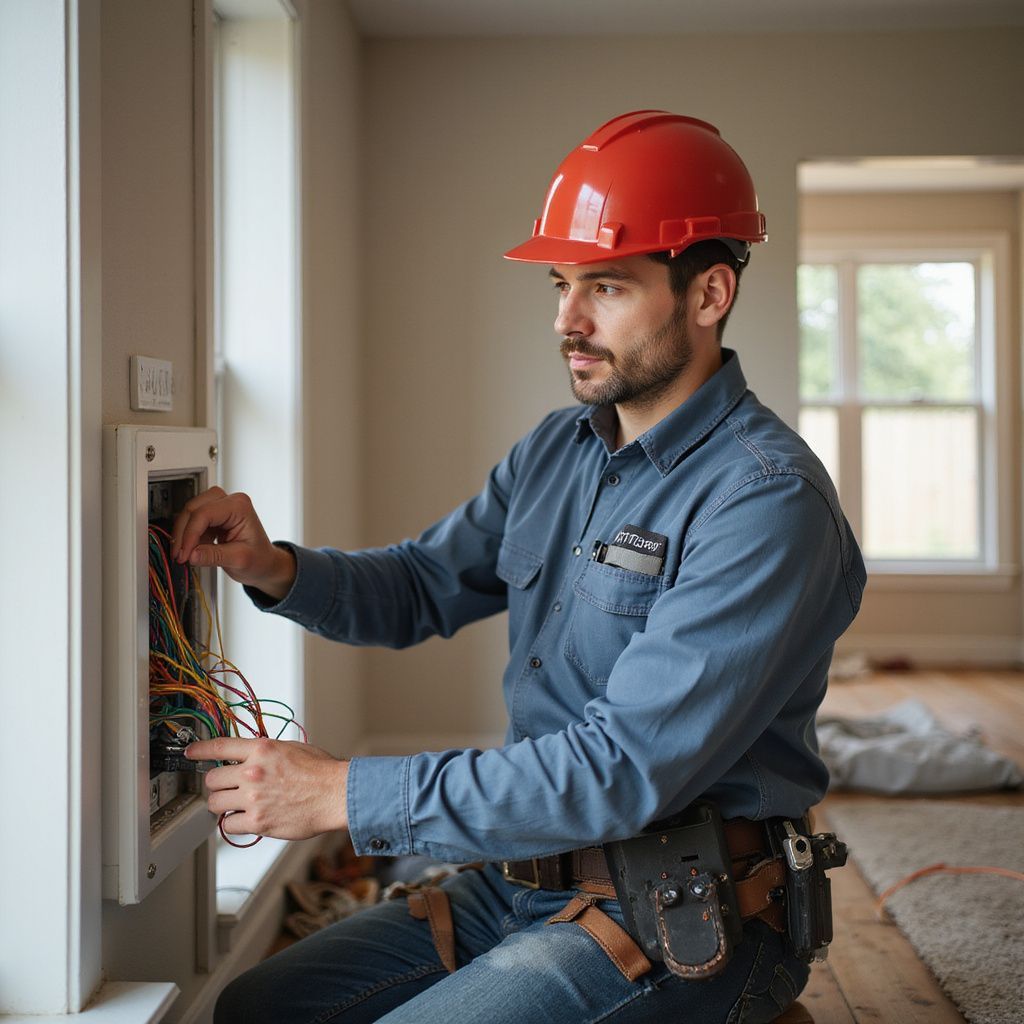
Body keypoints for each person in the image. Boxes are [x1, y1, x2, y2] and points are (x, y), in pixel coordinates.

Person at [177, 110, 865, 1024]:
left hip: (687, 914)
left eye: (607, 288)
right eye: (561, 283)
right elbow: (423, 583)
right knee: (259, 1008)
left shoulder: (765, 501)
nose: (566, 322)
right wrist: (272, 567)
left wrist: (341, 792)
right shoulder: (558, 452)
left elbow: (620, 769)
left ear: (709, 294)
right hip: (523, 881)